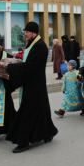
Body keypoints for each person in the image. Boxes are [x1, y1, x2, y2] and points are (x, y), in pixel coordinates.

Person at [6, 21, 58, 153]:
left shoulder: (40, 46)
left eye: (26, 32)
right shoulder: (33, 43)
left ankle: (23, 141)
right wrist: (16, 63)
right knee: (41, 110)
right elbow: (28, 63)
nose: (25, 34)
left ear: (33, 32)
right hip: (32, 83)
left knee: (27, 112)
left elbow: (32, 66)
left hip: (35, 85)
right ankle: (48, 132)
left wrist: (12, 67)